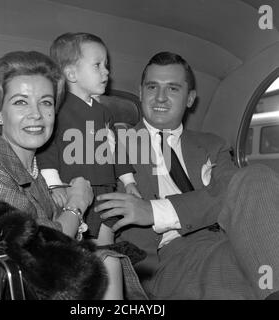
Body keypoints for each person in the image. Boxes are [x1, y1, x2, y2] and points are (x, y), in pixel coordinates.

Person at [0, 51, 147, 300]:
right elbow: (43, 250)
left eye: (45, 102)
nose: (36, 114)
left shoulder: (37, 168)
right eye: (20, 102)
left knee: (108, 260)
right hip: (10, 286)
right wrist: (77, 204)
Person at [94, 51, 279, 300]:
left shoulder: (213, 145)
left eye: (172, 89)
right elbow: (98, 211)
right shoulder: (111, 145)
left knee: (255, 176)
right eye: (152, 87)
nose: (160, 97)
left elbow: (237, 193)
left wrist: (153, 210)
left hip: (235, 239)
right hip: (169, 256)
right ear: (140, 93)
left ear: (190, 98)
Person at [37, 33, 141, 250]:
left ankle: (107, 275)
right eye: (97, 65)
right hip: (74, 189)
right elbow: (48, 149)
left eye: (106, 65)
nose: (107, 71)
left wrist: (129, 181)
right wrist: (54, 184)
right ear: (71, 73)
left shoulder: (104, 112)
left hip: (106, 190)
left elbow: (115, 149)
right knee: (76, 247)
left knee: (105, 245)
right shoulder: (58, 111)